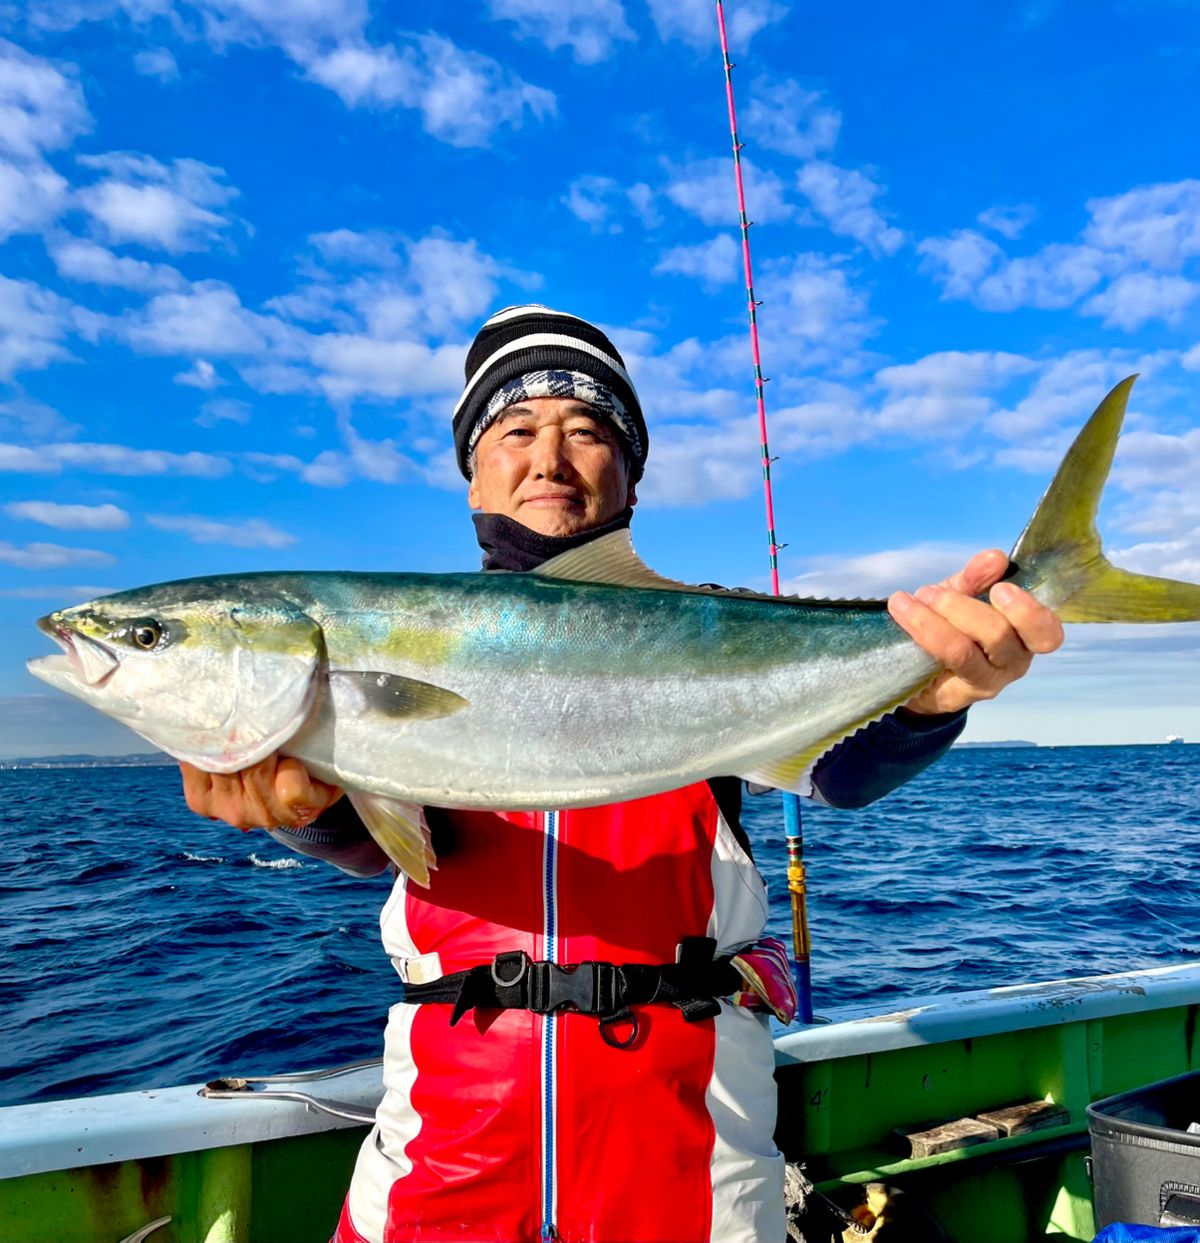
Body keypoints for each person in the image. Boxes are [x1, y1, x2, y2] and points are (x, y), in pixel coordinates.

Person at [180, 305, 1063, 1243]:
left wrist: (929, 696)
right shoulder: (408, 637)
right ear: (473, 470)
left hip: (691, 1157)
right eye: (515, 430)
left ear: (629, 472)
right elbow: (374, 842)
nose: (549, 458)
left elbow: (840, 771)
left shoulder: (717, 628)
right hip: (447, 1147)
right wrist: (299, 806)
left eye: (588, 431)